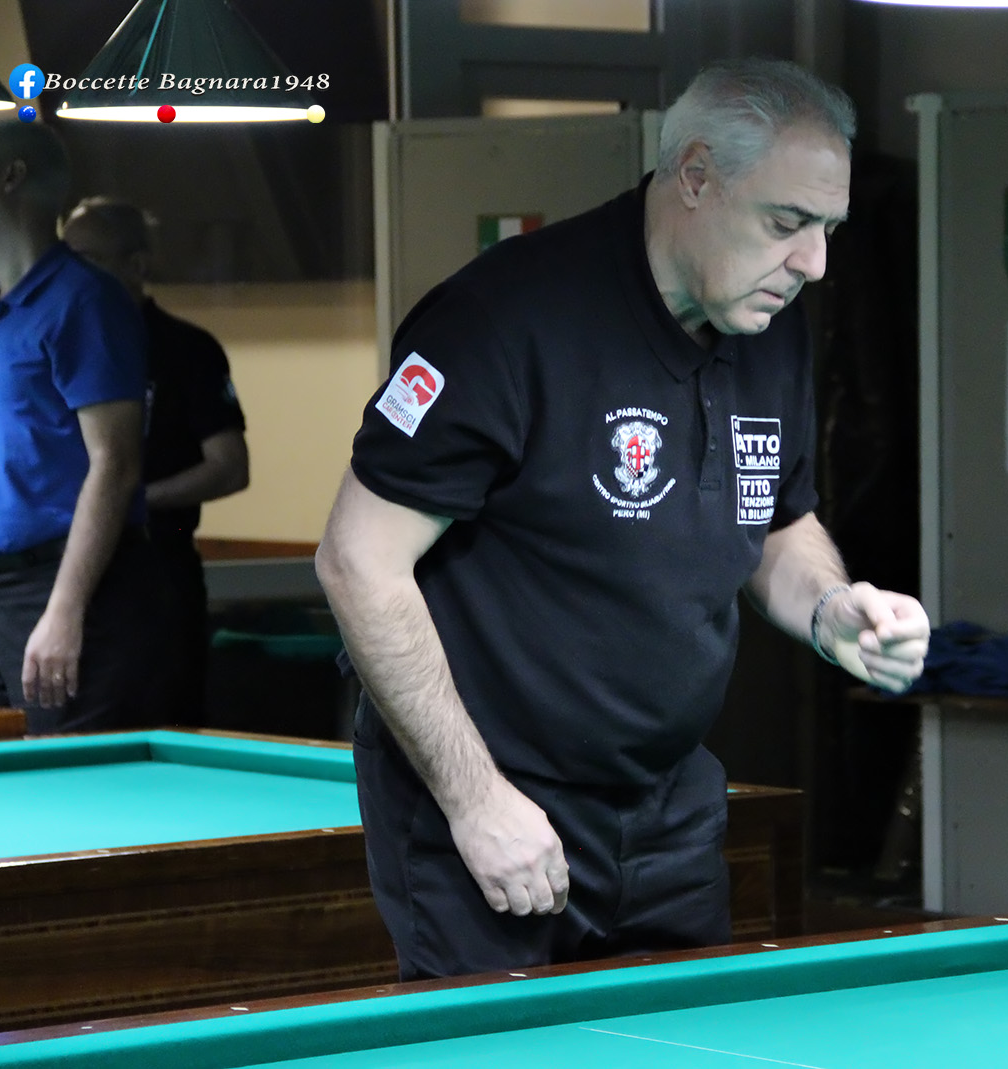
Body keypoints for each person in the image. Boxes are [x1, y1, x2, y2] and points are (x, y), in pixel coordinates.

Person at [316, 58, 931, 981]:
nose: (815, 263)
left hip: (667, 805)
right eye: (787, 223)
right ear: (695, 177)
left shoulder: (770, 324)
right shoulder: (503, 319)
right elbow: (357, 560)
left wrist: (830, 607)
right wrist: (476, 799)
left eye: (828, 230)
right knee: (504, 1050)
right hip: (490, 799)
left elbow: (774, 518)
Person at [0, 121, 170, 733]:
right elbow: (6, 495)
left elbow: (115, 464)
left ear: (12, 177)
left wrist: (65, 609)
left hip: (66, 591)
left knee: (71, 785)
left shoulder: (84, 300)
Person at [62, 197, 250, 726]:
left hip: (158, 569)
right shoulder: (64, 340)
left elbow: (230, 466)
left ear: (137, 265)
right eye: (64, 259)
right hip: (67, 566)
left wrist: (131, 500)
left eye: (87, 258)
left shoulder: (185, 349)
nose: (71, 274)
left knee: (161, 722)